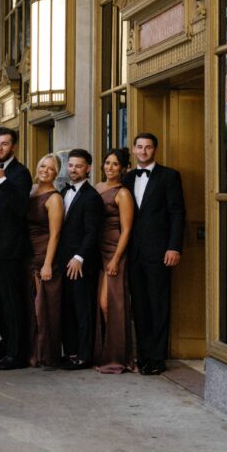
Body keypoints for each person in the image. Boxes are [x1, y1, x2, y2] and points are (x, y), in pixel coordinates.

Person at [122, 132, 186, 375]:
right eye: (139, 147)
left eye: (148, 147)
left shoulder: (169, 176)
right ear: (135, 150)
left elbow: (177, 214)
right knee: (139, 306)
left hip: (160, 252)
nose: (143, 151)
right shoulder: (127, 179)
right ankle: (144, 355)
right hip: (133, 253)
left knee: (158, 304)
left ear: (154, 150)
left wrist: (174, 246)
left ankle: (158, 359)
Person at [0, 127, 34, 370]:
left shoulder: (20, 173)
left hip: (11, 250)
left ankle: (18, 354)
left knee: (12, 302)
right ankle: (6, 344)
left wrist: (3, 179)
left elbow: (20, 208)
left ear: (13, 147)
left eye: (4, 144)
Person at [58, 149, 104, 370]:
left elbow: (92, 232)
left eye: (78, 166)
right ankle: (71, 351)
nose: (73, 170)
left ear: (88, 169)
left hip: (81, 263)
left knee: (83, 308)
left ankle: (84, 356)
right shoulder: (63, 192)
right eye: (71, 165)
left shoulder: (92, 196)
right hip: (62, 260)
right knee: (67, 306)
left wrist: (80, 257)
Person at [94, 148, 135, 373]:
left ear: (123, 168)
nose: (110, 167)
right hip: (97, 251)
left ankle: (117, 356)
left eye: (115, 164)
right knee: (99, 303)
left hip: (114, 251)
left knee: (109, 303)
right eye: (107, 163)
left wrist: (116, 259)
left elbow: (127, 229)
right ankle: (102, 353)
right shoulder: (98, 188)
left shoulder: (123, 194)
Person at [26, 154, 64, 368]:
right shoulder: (31, 191)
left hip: (44, 256)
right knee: (31, 307)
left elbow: (55, 234)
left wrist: (48, 263)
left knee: (44, 308)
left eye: (50, 168)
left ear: (56, 173)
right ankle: (32, 352)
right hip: (28, 256)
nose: (45, 170)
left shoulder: (54, 199)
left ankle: (46, 355)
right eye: (42, 166)